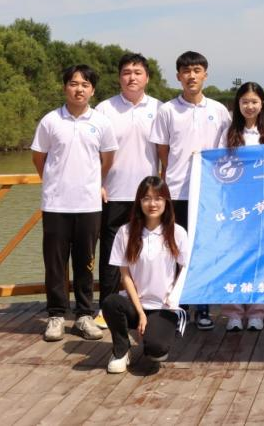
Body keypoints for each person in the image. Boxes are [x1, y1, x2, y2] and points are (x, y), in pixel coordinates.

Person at [31, 64, 118, 342]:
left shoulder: (101, 122)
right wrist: (54, 182)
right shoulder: (50, 121)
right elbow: (39, 158)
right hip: (56, 204)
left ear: (92, 90)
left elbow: (107, 159)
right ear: (65, 87)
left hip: (89, 204)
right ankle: (56, 315)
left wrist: (93, 183)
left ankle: (83, 315)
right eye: (73, 83)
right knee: (55, 263)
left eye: (85, 85)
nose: (79, 89)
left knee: (86, 262)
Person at [150, 51, 231, 331]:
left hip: (209, 194)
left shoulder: (219, 111)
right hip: (176, 192)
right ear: (178, 76)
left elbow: (225, 151)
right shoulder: (167, 110)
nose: (191, 76)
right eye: (186, 71)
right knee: (175, 248)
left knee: (204, 250)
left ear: (205, 74)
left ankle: (203, 306)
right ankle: (178, 304)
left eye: (197, 70)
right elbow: (163, 151)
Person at [92, 53, 160, 330]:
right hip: (113, 193)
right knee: (112, 254)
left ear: (147, 77)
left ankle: (150, 306)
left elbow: (165, 153)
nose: (132, 77)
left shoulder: (159, 109)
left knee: (150, 252)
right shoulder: (104, 109)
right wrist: (98, 183)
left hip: (149, 197)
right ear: (119, 77)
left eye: (137, 72)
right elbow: (93, 152)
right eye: (126, 72)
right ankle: (106, 309)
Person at [102, 176, 190, 374]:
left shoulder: (177, 232)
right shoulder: (125, 232)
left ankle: (157, 333)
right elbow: (125, 275)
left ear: (166, 202)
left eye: (158, 198)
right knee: (110, 303)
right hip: (136, 304)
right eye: (146, 198)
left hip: (163, 306)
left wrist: (173, 298)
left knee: (156, 350)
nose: (152, 204)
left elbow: (185, 269)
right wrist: (141, 312)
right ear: (139, 202)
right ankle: (121, 350)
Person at [220, 81, 264, 331]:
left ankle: (257, 312)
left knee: (259, 259)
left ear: (262, 104)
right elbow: (217, 164)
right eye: (245, 102)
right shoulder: (228, 132)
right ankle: (233, 313)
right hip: (235, 205)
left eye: (254, 101)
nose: (249, 106)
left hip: (262, 206)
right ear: (238, 105)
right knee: (233, 258)